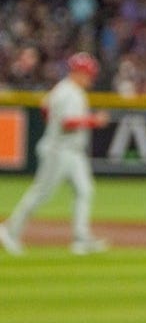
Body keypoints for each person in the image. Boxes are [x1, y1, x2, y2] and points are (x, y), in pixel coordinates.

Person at [0, 52, 109, 256]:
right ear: (77, 72)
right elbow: (67, 122)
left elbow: (44, 107)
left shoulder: (65, 90)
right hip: (59, 150)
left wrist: (53, 124)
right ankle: (9, 230)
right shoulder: (67, 92)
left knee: (84, 190)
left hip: (73, 152)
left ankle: (80, 239)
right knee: (41, 193)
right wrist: (93, 121)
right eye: (88, 73)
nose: (90, 77)